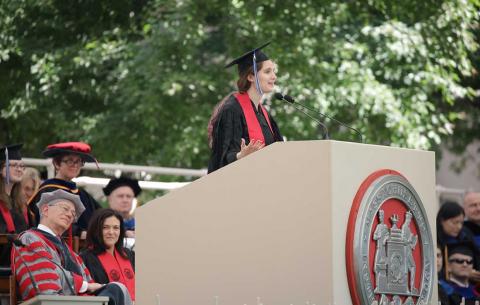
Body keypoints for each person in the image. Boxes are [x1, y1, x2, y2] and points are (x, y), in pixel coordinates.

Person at [12, 189, 132, 305]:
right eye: (65, 208)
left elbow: (92, 287)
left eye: (73, 213)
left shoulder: (72, 254)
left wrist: (87, 287)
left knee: (115, 289)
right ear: (45, 210)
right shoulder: (30, 239)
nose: (70, 214)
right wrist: (84, 285)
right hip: (51, 302)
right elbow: (47, 285)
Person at [207, 42, 283, 173]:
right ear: (251, 77)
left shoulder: (264, 113)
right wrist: (240, 156)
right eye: (267, 71)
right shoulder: (231, 110)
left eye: (273, 71)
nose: (274, 76)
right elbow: (220, 158)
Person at [28, 142, 101, 240]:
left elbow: (101, 215)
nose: (75, 165)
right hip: (56, 246)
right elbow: (50, 222)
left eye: (78, 161)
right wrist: (79, 233)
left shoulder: (82, 194)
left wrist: (124, 229)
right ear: (57, 164)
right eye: (70, 161)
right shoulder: (48, 190)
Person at [80, 209, 135, 301]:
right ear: (96, 230)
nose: (111, 232)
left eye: (116, 228)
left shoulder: (129, 255)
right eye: (105, 227)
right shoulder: (85, 259)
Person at [0, 144, 28, 269]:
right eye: (13, 165)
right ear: (1, 169)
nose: (19, 169)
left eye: (21, 166)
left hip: (19, 263)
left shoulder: (21, 204)